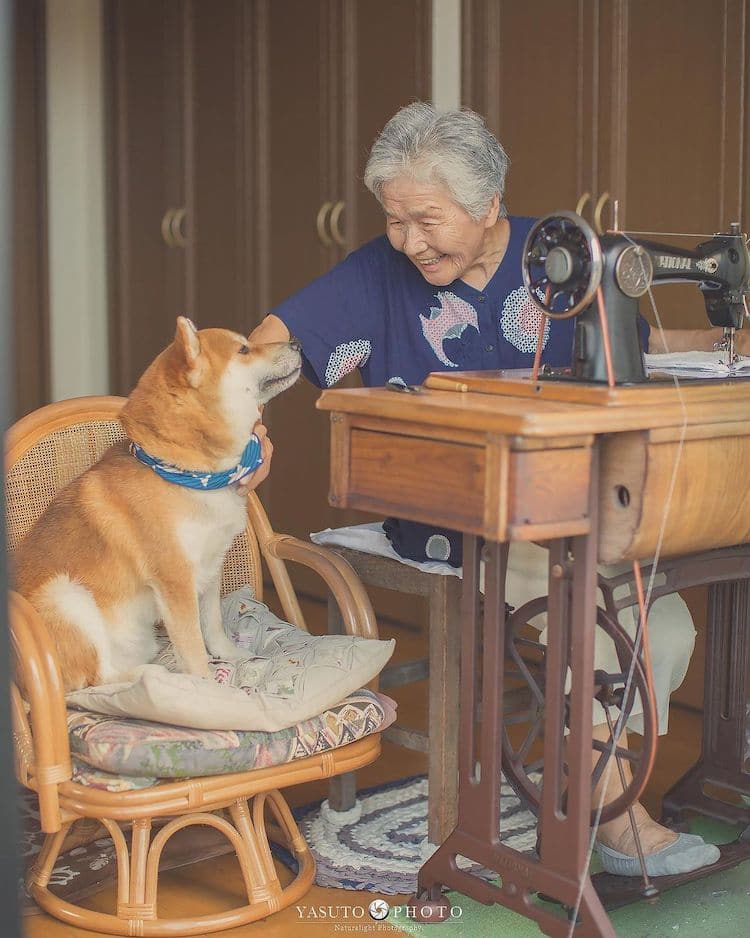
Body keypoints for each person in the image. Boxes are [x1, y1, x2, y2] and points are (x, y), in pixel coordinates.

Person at [249, 101, 723, 875]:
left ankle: (582, 780)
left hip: (573, 503)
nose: (409, 241)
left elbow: (637, 347)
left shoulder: (560, 259)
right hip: (451, 512)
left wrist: (720, 340)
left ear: (489, 205)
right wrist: (245, 425)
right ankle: (611, 815)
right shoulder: (378, 272)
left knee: (665, 630)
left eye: (426, 220)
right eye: (396, 220)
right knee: (603, 620)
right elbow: (274, 343)